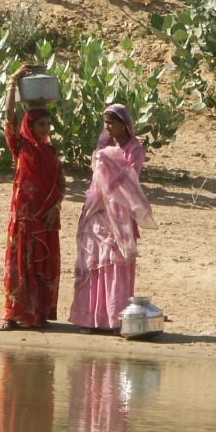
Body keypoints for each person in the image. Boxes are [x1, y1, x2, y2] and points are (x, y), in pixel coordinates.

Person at [68, 103, 156, 332]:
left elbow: (131, 179)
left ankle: (115, 319)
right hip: (98, 211)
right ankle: (91, 319)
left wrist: (109, 161)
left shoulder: (135, 148)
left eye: (112, 122)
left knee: (116, 262)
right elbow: (95, 179)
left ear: (123, 124)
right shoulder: (104, 144)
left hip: (120, 214)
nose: (107, 127)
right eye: (105, 122)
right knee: (94, 262)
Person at [0, 68, 65, 331]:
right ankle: (12, 315)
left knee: (40, 268)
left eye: (48, 125)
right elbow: (9, 116)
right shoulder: (20, 146)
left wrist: (55, 208)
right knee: (19, 268)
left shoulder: (50, 151)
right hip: (24, 219)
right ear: (30, 124)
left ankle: (37, 315)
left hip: (45, 219)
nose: (46, 129)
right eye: (41, 124)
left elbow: (61, 183)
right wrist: (13, 83)